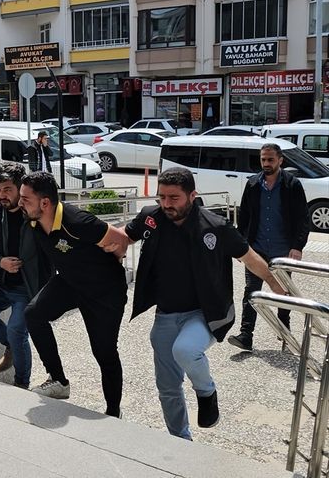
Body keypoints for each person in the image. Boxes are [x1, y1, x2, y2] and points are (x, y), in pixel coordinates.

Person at [124, 167, 286, 440]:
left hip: (204, 313)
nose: (166, 204)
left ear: (192, 195)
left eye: (174, 198)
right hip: (165, 315)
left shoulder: (215, 226)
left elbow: (249, 257)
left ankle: (206, 392)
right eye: (162, 197)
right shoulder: (151, 218)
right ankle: (180, 438)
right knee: (167, 387)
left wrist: (274, 282)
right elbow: (123, 237)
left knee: (186, 349)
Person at [19, 171, 130, 418]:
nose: (20, 203)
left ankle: (114, 413)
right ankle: (58, 381)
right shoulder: (34, 221)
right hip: (70, 283)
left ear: (44, 203)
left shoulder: (78, 222)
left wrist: (112, 260)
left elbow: (121, 239)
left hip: (105, 292)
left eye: (25, 199)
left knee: (104, 352)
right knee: (34, 314)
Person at [0, 163, 53, 389]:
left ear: (20, 188)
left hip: (27, 287)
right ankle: (11, 346)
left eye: (7, 189)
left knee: (17, 331)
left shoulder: (34, 211)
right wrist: (0, 261)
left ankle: (21, 384)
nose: (1, 195)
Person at [228, 143, 309, 351]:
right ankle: (246, 335)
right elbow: (244, 217)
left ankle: (284, 331)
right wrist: (241, 246)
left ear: (280, 160)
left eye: (270, 159)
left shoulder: (292, 185)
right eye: (263, 159)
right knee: (251, 291)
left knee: (283, 292)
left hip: (283, 251)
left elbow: (302, 218)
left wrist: (298, 246)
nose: (266, 163)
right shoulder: (253, 184)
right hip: (256, 250)